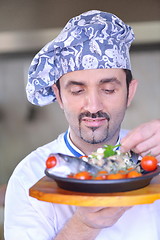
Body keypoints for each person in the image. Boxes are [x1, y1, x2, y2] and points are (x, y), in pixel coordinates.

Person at [4, 10, 160, 240]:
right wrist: (84, 226)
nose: (93, 105)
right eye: (77, 90)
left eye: (108, 89)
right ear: (58, 96)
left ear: (130, 92)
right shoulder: (28, 176)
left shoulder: (151, 156)